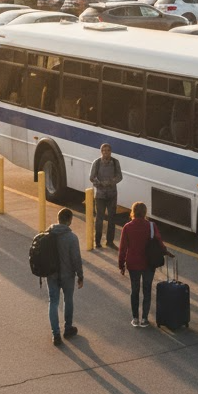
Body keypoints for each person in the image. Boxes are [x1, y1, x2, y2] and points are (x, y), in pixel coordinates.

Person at [118, 202, 166, 327]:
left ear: (132, 212)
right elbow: (159, 242)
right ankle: (144, 318)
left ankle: (135, 318)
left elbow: (122, 248)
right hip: (149, 263)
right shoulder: (151, 225)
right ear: (145, 212)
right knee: (147, 290)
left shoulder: (127, 227)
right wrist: (166, 252)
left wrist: (121, 264)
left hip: (133, 263)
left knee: (134, 290)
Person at [46, 208, 84, 346]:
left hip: (51, 274)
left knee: (53, 302)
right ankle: (68, 328)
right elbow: (76, 259)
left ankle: (55, 334)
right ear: (69, 220)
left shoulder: (48, 233)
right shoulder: (72, 238)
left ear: (58, 219)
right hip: (68, 275)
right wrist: (80, 275)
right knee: (68, 300)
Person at [89, 143, 122, 248]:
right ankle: (97, 241)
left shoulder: (115, 162)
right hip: (100, 195)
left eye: (108, 150)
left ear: (110, 151)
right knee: (99, 218)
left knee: (112, 219)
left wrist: (110, 182)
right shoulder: (97, 163)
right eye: (104, 150)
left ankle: (110, 241)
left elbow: (119, 176)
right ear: (101, 152)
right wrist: (100, 183)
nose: (106, 152)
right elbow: (91, 177)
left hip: (112, 194)